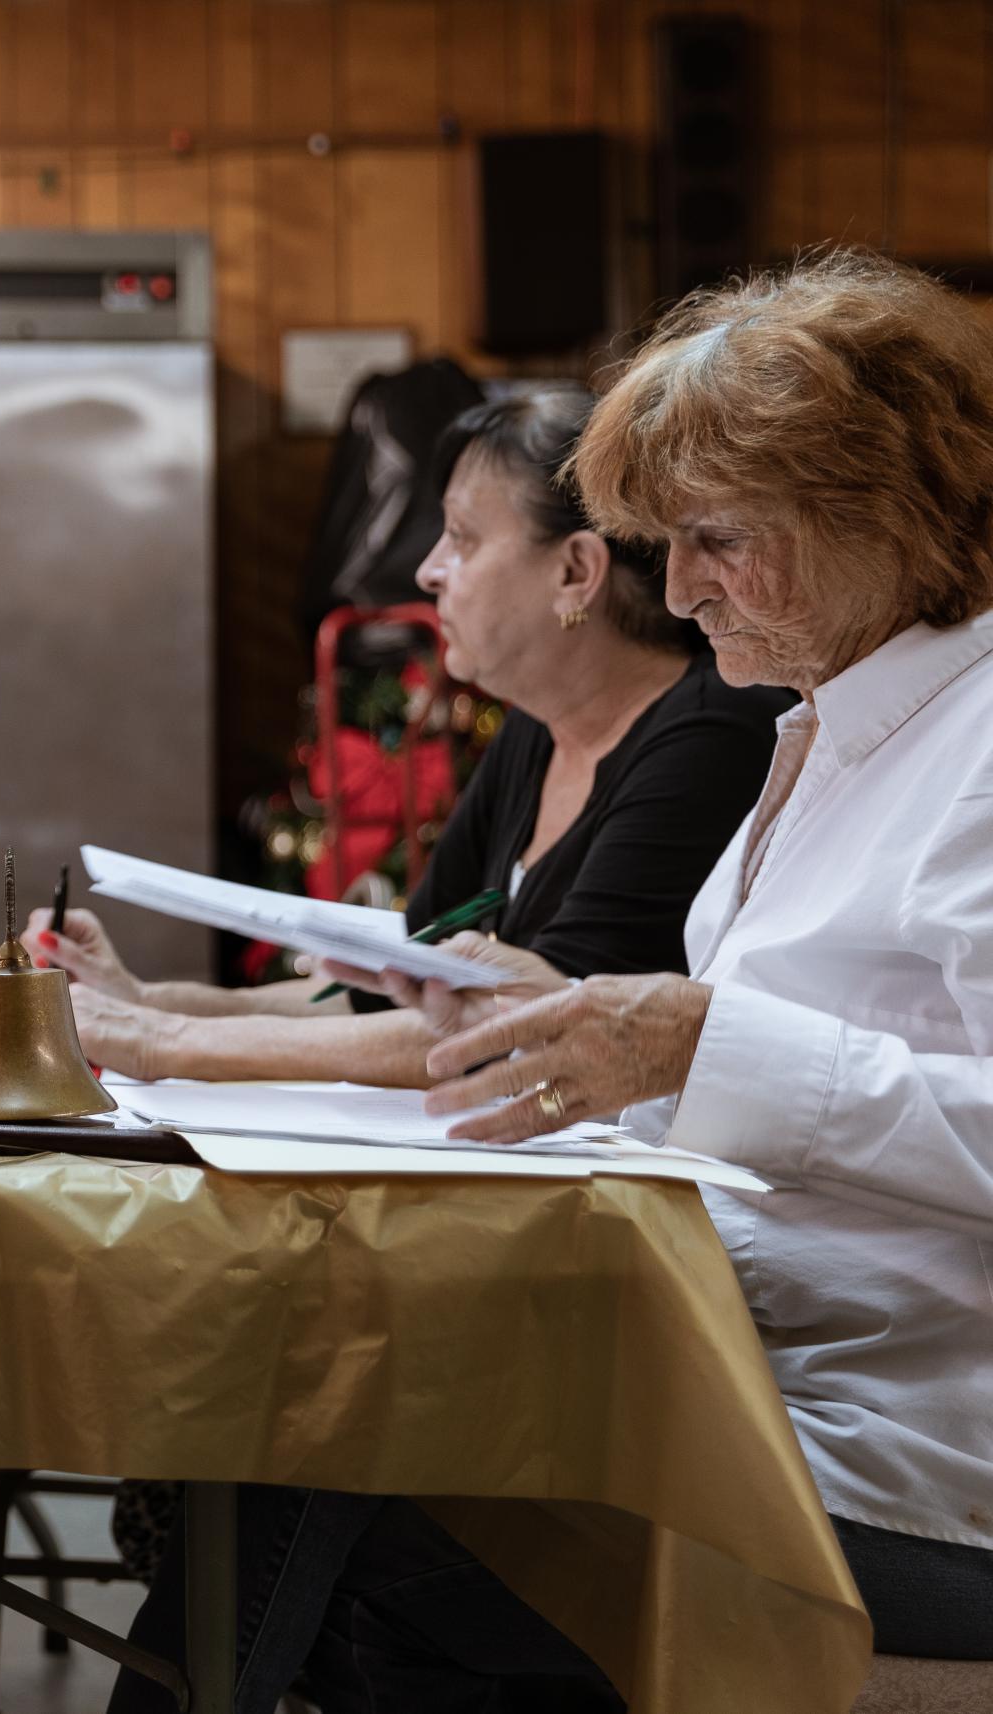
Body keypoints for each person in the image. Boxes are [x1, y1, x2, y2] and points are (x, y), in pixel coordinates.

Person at [117, 248, 993, 1712]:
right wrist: (565, 1022)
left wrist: (695, 1045)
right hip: (738, 1384)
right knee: (288, 1440)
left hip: (905, 1472)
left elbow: (776, 1078)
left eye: (715, 537)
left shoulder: (968, 741)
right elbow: (760, 1109)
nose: (679, 587)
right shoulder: (831, 728)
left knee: (304, 1487)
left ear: (873, 510)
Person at [38, 389, 788, 1091]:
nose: (429, 571)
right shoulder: (538, 727)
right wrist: (145, 1000)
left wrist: (163, 1042)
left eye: (460, 539)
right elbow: (390, 1002)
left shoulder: (712, 737)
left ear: (575, 571)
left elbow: (518, 1035)